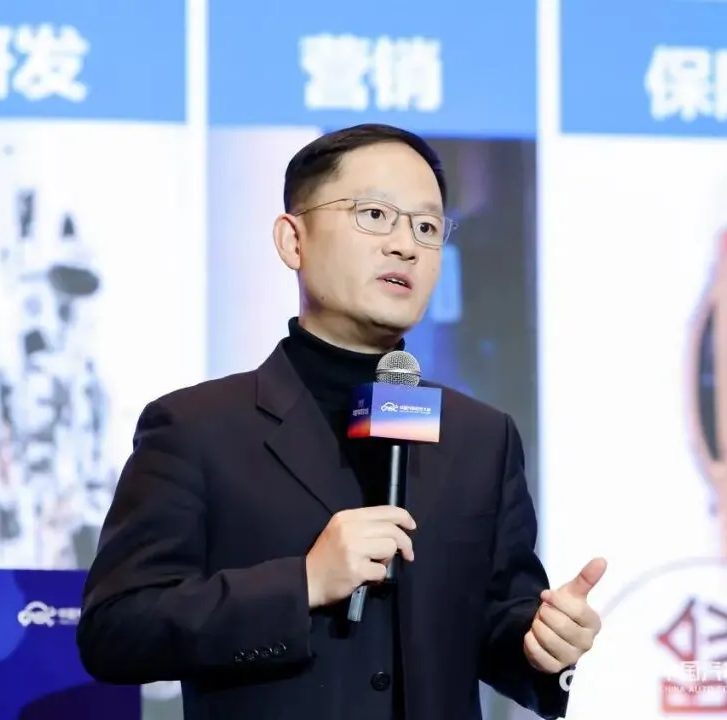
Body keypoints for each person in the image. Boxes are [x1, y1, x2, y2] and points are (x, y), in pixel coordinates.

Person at [77, 124, 606, 719]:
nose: (405, 246)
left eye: (427, 228)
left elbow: (497, 623)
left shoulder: (481, 438)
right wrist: (303, 582)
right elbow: (115, 630)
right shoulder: (196, 428)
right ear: (292, 240)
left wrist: (543, 644)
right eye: (375, 215)